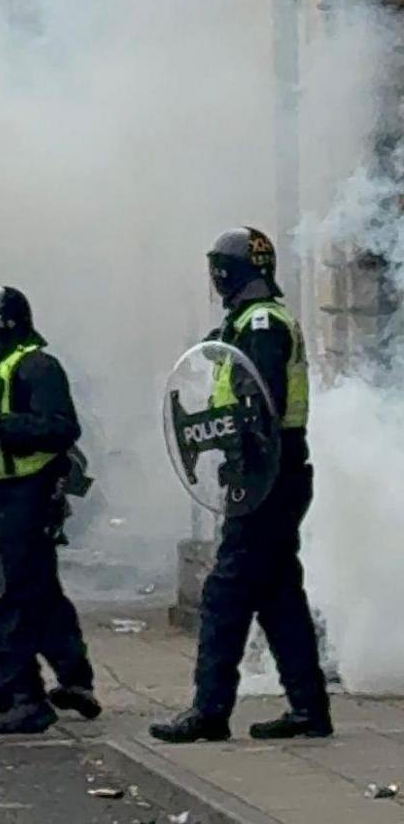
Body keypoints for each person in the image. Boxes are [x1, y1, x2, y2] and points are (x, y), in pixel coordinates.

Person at [151, 228, 332, 744]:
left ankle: (209, 710)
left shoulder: (258, 322)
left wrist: (229, 445)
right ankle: (309, 709)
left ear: (229, 272)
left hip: (268, 473)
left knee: (225, 593)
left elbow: (260, 403)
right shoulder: (253, 320)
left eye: (217, 269)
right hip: (276, 471)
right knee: (278, 596)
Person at [0, 286, 96, 735]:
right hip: (2, 492)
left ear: (4, 325)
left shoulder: (36, 366)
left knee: (4, 597)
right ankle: (70, 680)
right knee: (39, 593)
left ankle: (24, 697)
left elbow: (61, 427)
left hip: (29, 492)